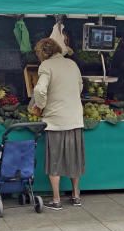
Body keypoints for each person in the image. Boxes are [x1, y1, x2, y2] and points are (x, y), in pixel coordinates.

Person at [31, 38, 85, 210]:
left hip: (56, 120)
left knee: (55, 160)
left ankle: (56, 199)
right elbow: (80, 86)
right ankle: (76, 196)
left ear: (43, 53)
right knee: (74, 159)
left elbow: (39, 89)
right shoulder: (72, 64)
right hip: (75, 118)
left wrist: (40, 105)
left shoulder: (46, 66)